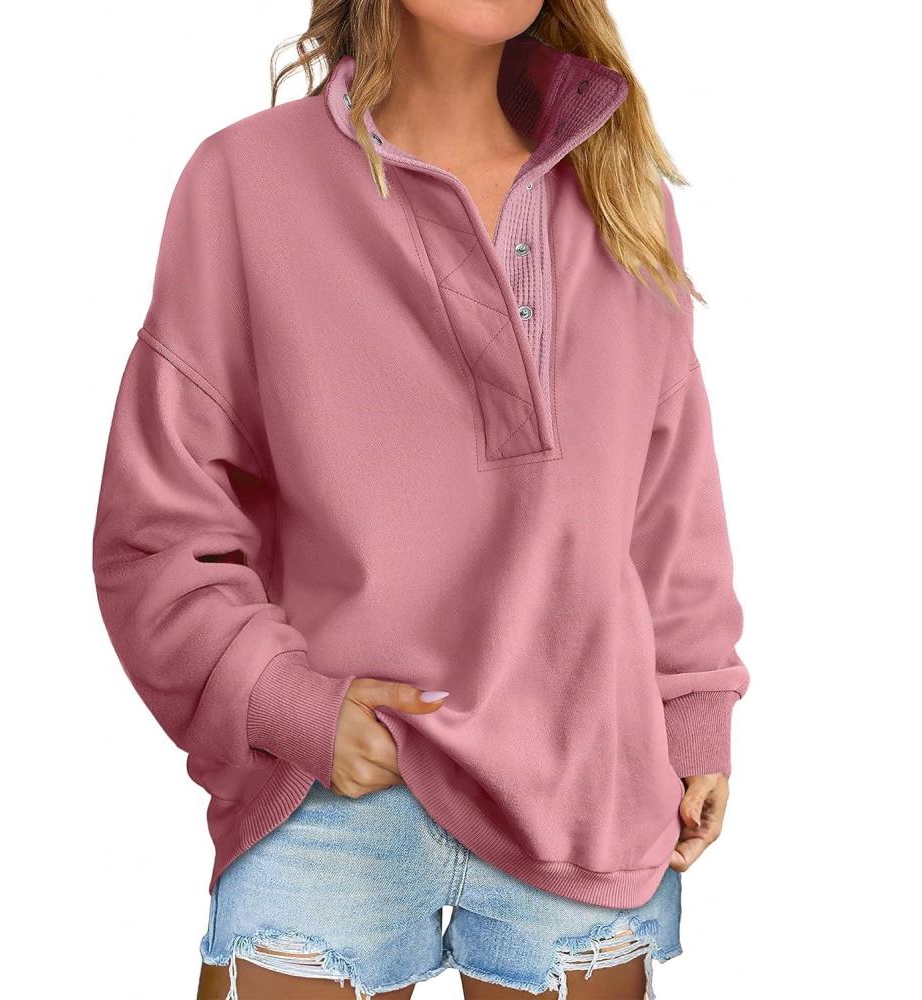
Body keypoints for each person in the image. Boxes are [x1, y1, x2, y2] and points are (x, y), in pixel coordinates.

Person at [91, 2, 751, 998]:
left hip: (586, 783)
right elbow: (159, 529)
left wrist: (694, 706)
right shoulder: (244, 183)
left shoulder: (620, 191)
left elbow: (669, 496)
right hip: (328, 796)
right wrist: (281, 700)